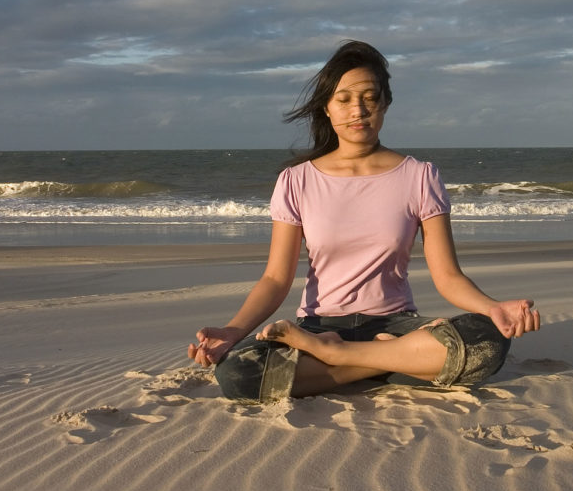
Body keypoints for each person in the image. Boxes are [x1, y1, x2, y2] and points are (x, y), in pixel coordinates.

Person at [187, 40, 539, 403]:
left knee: (488, 340)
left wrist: (491, 307)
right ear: (326, 107)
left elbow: (448, 277)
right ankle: (395, 361)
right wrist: (232, 331)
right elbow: (276, 279)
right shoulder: (296, 181)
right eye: (344, 99)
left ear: (384, 103)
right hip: (319, 327)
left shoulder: (420, 177)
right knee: (235, 372)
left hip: (394, 324)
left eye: (369, 97)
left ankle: (342, 360)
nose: (358, 109)